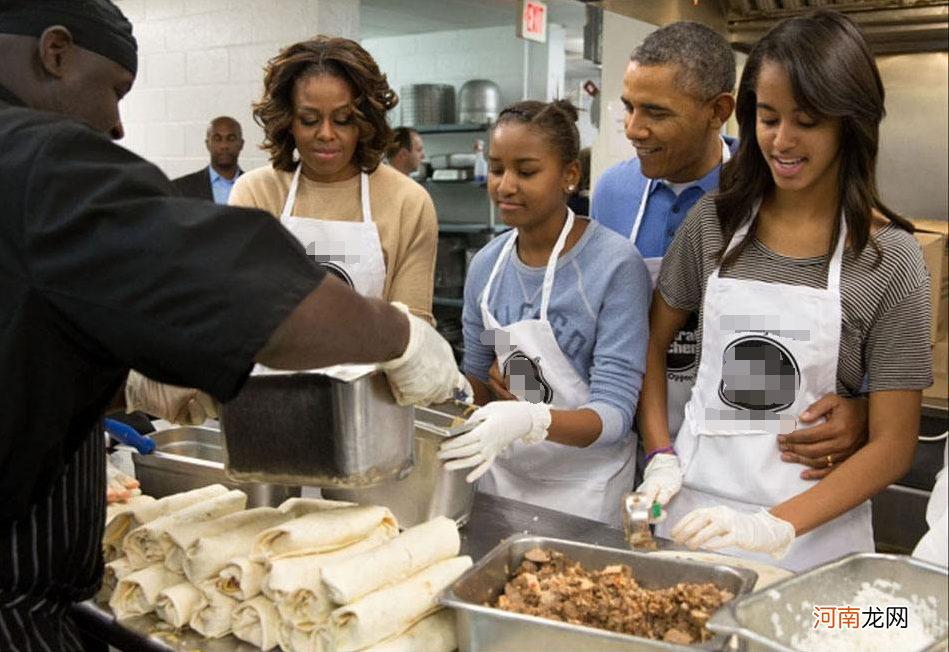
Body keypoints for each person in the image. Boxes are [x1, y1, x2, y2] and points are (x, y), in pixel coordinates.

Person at [0, 3, 466, 649]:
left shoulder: (403, 199)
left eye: (343, 119)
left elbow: (35, 326)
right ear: (54, 52)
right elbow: (251, 296)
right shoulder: (37, 159)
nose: (115, 122)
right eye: (115, 89)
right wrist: (399, 337)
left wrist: (123, 386)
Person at [635, 10, 932, 571]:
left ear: (852, 122)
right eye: (768, 118)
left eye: (808, 122)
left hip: (815, 545)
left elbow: (894, 445)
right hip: (694, 526)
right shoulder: (714, 224)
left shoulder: (889, 258)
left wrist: (774, 525)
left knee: (873, 624)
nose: (782, 141)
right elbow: (650, 346)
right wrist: (660, 454)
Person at [591, 21, 868, 485]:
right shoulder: (613, 193)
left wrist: (862, 409)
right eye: (629, 108)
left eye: (655, 112)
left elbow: (852, 329)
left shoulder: (772, 189)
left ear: (718, 110)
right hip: (636, 448)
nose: (634, 130)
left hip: (767, 457)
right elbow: (605, 323)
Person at [438, 100, 652, 526]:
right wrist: (438, 382)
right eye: (497, 169)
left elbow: (614, 414)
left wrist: (531, 418)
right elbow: (480, 381)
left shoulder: (614, 265)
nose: (506, 185)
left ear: (569, 176)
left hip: (587, 490)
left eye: (526, 171)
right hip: (503, 480)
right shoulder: (486, 266)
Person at [230, 36, 437, 322]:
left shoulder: (408, 202)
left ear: (365, 122)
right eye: (309, 119)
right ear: (288, 120)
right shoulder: (256, 193)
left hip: (375, 367)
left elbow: (413, 329)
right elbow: (242, 310)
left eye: (343, 120)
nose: (326, 134)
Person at [172, 116, 245, 204]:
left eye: (231, 139)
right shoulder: (180, 188)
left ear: (241, 144)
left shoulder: (255, 187)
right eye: (217, 139)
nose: (224, 145)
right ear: (208, 144)